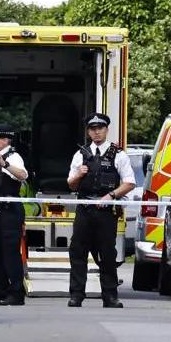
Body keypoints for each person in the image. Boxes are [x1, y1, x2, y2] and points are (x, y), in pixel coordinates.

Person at [66, 113, 135, 308]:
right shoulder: (80, 154)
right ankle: (77, 295)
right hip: (85, 209)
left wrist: (111, 196)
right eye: (92, 128)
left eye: (100, 128)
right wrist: (79, 175)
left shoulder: (118, 154)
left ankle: (110, 296)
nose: (96, 132)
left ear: (106, 130)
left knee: (107, 254)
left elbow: (130, 182)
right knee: (78, 252)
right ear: (88, 131)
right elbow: (71, 185)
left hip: (106, 212)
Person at [0, 124, 29, 306]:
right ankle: (0, 292)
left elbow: (23, 175)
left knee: (10, 253)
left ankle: (15, 294)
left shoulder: (13, 157)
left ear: (5, 140)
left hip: (9, 211)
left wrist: (6, 165)